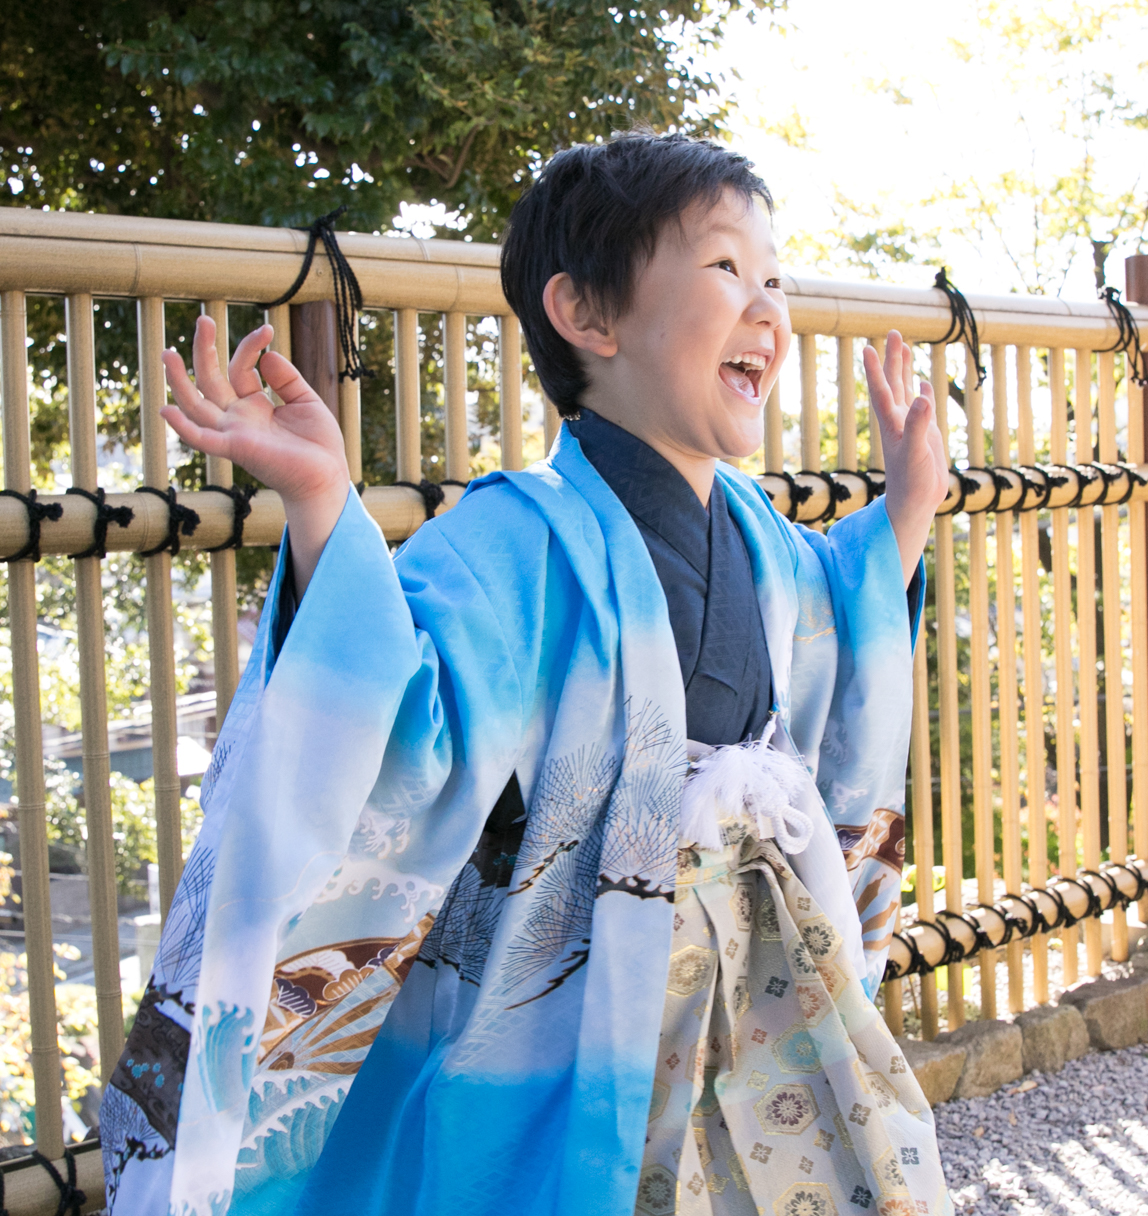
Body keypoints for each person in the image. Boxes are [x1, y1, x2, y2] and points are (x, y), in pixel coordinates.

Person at [100, 133, 952, 1216]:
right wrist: (325, 505)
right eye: (728, 267)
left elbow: (837, 625)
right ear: (589, 317)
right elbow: (408, 735)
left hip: (760, 978)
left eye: (775, 276)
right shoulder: (512, 538)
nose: (768, 306)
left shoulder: (755, 528)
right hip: (581, 1006)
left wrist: (907, 513)